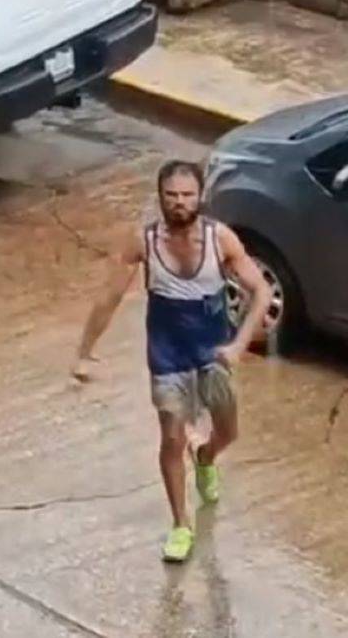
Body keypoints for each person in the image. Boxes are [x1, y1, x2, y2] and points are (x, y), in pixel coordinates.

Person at [71, 160, 271, 562]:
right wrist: (84, 350)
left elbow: (261, 292)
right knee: (171, 438)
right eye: (171, 195)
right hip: (167, 354)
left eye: (187, 195)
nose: (179, 203)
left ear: (200, 197)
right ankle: (181, 524)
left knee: (228, 432)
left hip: (213, 352)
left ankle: (207, 456)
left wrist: (239, 345)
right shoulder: (143, 242)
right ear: (160, 197)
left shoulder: (221, 240)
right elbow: (109, 297)